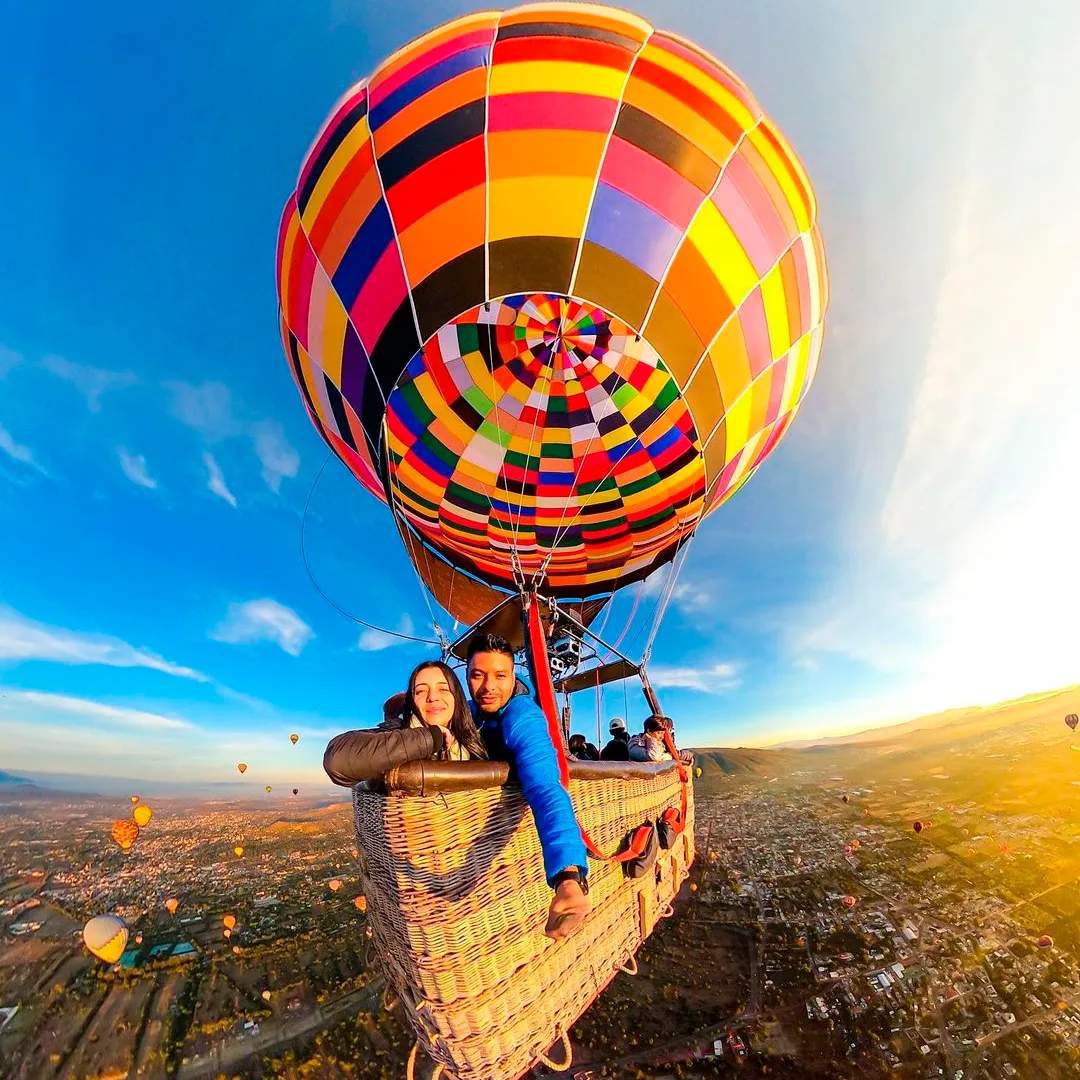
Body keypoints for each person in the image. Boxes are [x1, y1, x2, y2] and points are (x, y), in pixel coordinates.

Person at [466, 633, 591, 939]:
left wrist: (568, 876)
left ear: (512, 676)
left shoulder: (523, 717)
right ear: (467, 676)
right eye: (478, 675)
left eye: (500, 675)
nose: (489, 687)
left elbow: (546, 789)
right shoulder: (469, 711)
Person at [323, 661, 486, 786]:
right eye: (421, 691)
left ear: (457, 697)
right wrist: (430, 738)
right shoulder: (396, 734)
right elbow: (336, 761)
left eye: (443, 689)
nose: (432, 697)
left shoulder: (473, 742)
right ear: (412, 701)